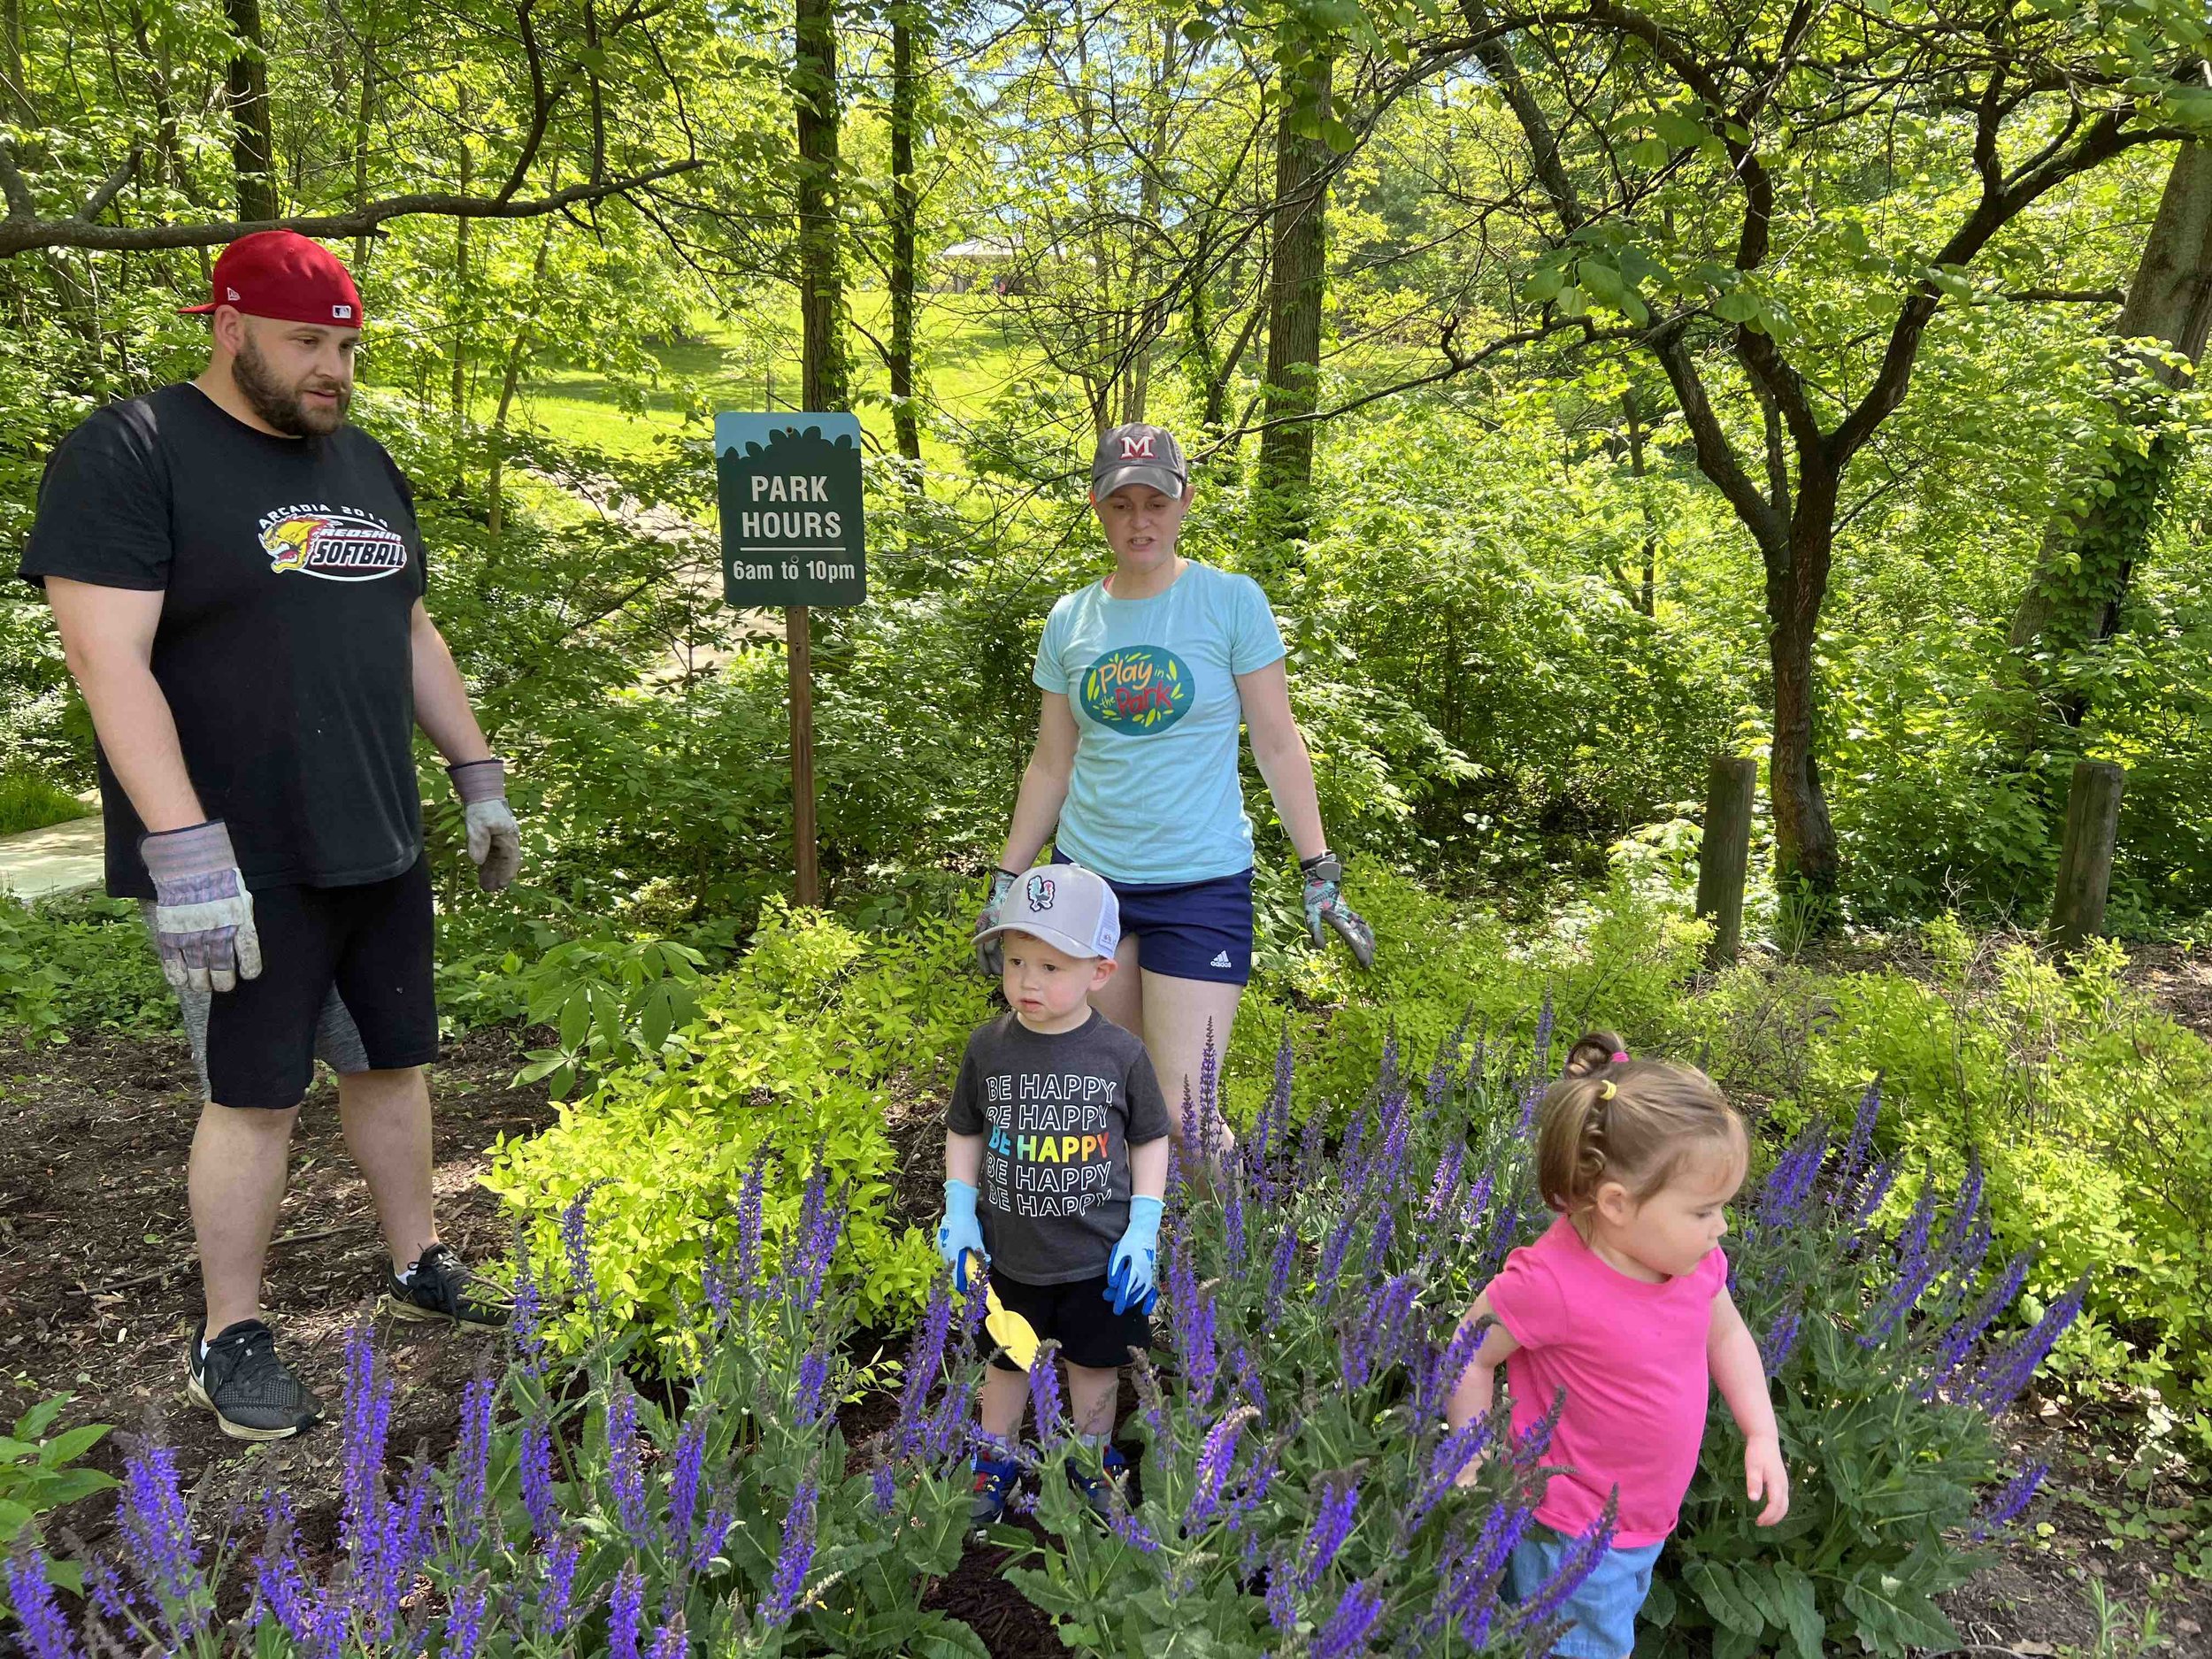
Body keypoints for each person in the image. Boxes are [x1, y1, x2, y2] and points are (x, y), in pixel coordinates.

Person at [19, 230, 522, 1442]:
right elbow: (104, 658)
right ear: (227, 325)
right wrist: (183, 847)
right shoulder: (133, 452)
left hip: (378, 835)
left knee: (391, 1061)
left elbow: (408, 625)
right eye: (308, 342)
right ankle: (228, 1330)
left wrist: (476, 773)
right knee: (252, 1093)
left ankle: (420, 1262)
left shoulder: (361, 461)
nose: (332, 369)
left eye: (346, 346)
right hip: (234, 858)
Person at [975, 423, 1373, 1156]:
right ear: (1097, 507)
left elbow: (1278, 741)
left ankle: (1235, 1259)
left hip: (1200, 884)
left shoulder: (1230, 602)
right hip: (1088, 886)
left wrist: (1320, 870)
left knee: (1187, 1114)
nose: (1140, 520)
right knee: (1110, 1099)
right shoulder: (1072, 619)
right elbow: (1050, 765)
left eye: (1154, 501)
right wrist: (1007, 878)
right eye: (1121, 504)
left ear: (1184, 500)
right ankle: (1133, 1257)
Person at [1444, 1044, 1790, 1659]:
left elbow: (1728, 1335)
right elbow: (1469, 1352)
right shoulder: (1552, 1283)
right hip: (1569, 1531)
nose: (1722, 1228)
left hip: (1640, 1522)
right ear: (1617, 1204)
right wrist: (1472, 1462)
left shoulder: (1692, 1264)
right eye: (1704, 1210)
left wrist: (1760, 1430)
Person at [937, 862, 1172, 1523]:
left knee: (1096, 1365)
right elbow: (965, 1128)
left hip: (1100, 1256)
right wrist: (959, 1211)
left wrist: (1144, 1228)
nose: (1027, 981)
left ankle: (1090, 1455)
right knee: (1004, 1363)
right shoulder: (989, 1048)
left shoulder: (1120, 1053)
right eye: (1016, 962)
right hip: (1010, 1254)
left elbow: (1150, 1139)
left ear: (1101, 970)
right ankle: (996, 1456)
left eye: (1050, 966)